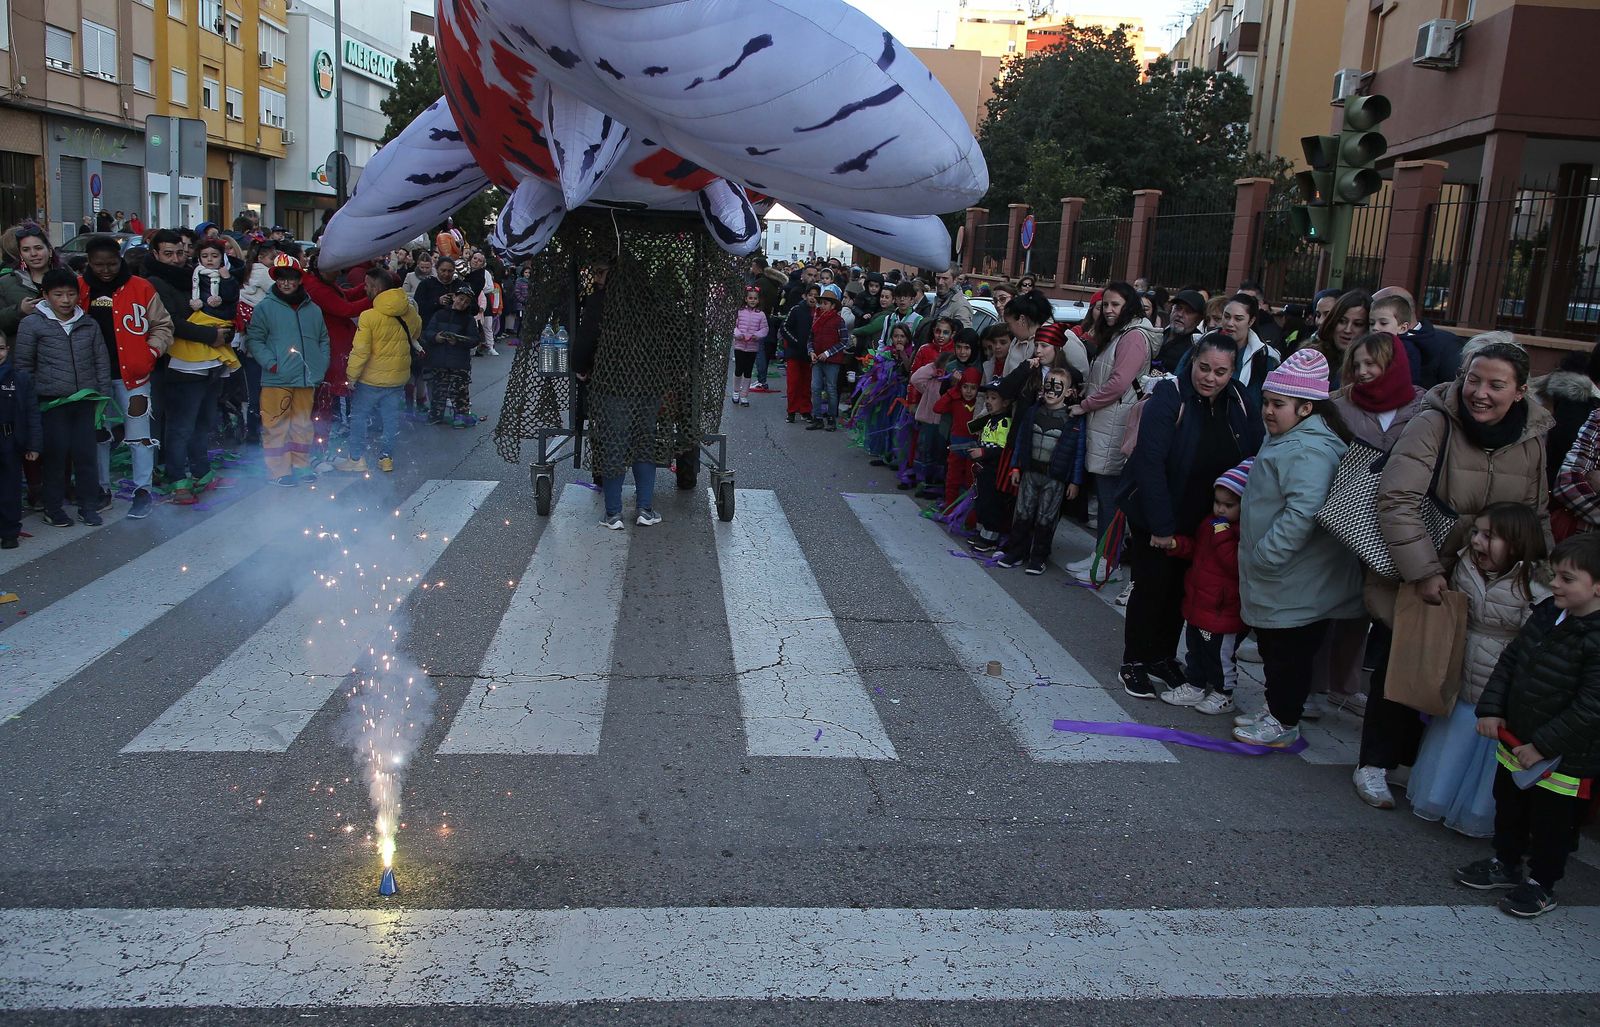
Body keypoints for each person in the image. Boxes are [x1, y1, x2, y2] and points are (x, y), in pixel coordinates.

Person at [1357, 339, 1554, 810]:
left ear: (1521, 391)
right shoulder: (1432, 422)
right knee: (1404, 662)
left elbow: (1536, 515)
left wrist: (1543, 581)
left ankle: (1417, 764)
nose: (1480, 393)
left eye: (1496, 385)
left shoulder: (1531, 439)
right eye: (1474, 379)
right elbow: (1397, 499)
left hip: (1490, 581)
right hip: (1422, 570)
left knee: (1460, 674)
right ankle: (1375, 763)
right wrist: (1424, 570)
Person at [1458, 531, 1600, 919]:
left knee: (1553, 824)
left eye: (1567, 579)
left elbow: (1592, 707)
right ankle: (1505, 861)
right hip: (1517, 740)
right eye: (1555, 574)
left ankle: (1542, 883)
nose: (1554, 583)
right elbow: (1511, 661)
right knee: (1510, 804)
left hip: (1565, 759)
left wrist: (1544, 745)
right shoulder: (1546, 614)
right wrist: (1491, 708)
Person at [1117, 333, 1264, 698]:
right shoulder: (1171, 395)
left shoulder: (1240, 401)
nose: (1210, 378)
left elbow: (1252, 453)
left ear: (1232, 372)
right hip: (1158, 510)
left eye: (1220, 371)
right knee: (1151, 588)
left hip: (1206, 518)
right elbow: (1150, 464)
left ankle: (1163, 656)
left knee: (1182, 591)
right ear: (1193, 361)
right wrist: (1162, 526)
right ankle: (1134, 660)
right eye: (1204, 368)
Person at [1232, 349, 1364, 746]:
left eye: (1279, 404)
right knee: (1277, 649)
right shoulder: (1289, 438)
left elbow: (1304, 509)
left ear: (1306, 407)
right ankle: (1277, 708)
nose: (1269, 411)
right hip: (1286, 576)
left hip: (1294, 575)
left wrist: (1268, 553)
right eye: (1267, 403)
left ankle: (1283, 721)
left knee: (1287, 654)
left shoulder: (1308, 449)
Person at [1408, 503, 1549, 838]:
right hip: (1461, 665)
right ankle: (1437, 797)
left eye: (1489, 536)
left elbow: (1534, 641)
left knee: (1487, 754)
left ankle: (1478, 813)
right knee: (1452, 739)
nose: (1477, 542)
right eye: (1476, 532)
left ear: (1517, 541)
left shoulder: (1536, 583)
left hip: (1503, 676)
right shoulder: (1465, 565)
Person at [1319, 333, 1427, 715]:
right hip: (1340, 515)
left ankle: (1344, 685)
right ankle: (1314, 684)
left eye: (1373, 364)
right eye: (1358, 364)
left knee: (1367, 607)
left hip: (1388, 521)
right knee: (1328, 600)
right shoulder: (1337, 403)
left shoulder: (1422, 405)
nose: (1363, 372)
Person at [80, 234, 174, 519]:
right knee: (99, 435)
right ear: (90, 264)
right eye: (99, 265)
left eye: (111, 263)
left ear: (119, 260)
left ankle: (142, 490)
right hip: (92, 379)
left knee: (139, 435)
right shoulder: (79, 288)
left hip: (134, 376)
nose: (106, 270)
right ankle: (101, 489)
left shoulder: (141, 287)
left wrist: (151, 353)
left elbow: (163, 325)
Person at [14, 269, 112, 527]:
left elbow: (101, 361)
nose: (66, 300)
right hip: (52, 402)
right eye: (58, 295)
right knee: (55, 458)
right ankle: (53, 508)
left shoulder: (88, 323)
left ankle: (88, 505)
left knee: (85, 456)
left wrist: (102, 397)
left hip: (85, 401)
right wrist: (32, 399)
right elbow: (24, 365)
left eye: (71, 294)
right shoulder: (32, 324)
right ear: (45, 296)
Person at [1070, 281, 1154, 581]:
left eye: (1115, 304)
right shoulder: (1121, 333)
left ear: (1127, 305)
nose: (1107, 310)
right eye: (1105, 304)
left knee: (1110, 497)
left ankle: (1108, 562)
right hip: (1107, 419)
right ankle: (1101, 556)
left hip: (1114, 420)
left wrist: (1086, 404)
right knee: (1106, 495)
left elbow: (1119, 383)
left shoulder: (1133, 337)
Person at [143, 230, 232, 502]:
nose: (176, 259)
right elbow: (173, 321)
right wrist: (211, 334)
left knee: (203, 421)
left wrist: (225, 329)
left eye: (180, 252)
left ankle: (201, 471)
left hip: (209, 359)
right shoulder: (154, 282)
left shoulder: (197, 274)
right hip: (179, 363)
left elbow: (220, 306)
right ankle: (176, 477)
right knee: (181, 424)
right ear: (156, 254)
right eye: (168, 253)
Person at [1160, 459, 1251, 714]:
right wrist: (1178, 546)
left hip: (1223, 610)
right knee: (1196, 648)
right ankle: (1195, 684)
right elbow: (1198, 550)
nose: (1221, 509)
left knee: (1220, 655)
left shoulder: (1240, 531)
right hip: (1201, 603)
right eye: (1218, 502)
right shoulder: (1210, 523)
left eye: (1229, 505)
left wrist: (1222, 536)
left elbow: (1234, 564)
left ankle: (1224, 693)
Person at [244, 254, 330, 485]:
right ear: (276, 279)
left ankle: (301, 465)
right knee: (276, 425)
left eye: (291, 278)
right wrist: (271, 363)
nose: (286, 283)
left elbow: (323, 339)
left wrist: (320, 366)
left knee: (302, 424)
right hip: (276, 379)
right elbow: (255, 339)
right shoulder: (264, 308)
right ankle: (279, 471)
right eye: (281, 278)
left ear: (299, 280)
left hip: (306, 378)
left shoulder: (313, 309)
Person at [997, 364, 1086, 575]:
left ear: (1070, 392)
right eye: (1048, 385)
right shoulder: (1032, 413)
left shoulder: (1073, 420)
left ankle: (1038, 556)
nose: (1051, 391)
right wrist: (1016, 467)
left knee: (1046, 518)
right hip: (1029, 473)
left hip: (1054, 478)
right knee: (1022, 513)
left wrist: (1075, 481)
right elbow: (1021, 441)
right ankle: (1017, 552)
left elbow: (1078, 453)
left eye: (1058, 387)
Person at [335, 268, 421, 475]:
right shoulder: (409, 312)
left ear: (375, 287)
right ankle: (386, 458)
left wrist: (351, 376)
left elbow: (361, 351)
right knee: (391, 419)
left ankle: (356, 459)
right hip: (398, 378)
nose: (364, 288)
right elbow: (416, 333)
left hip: (371, 380)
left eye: (366, 285)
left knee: (359, 417)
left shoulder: (369, 316)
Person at [1373, 286, 1463, 387]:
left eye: (1383, 322)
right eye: (1371, 322)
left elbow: (1453, 388)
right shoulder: (1370, 341)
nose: (1374, 327)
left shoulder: (1447, 344)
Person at [965, 377, 1015, 554]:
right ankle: (981, 532)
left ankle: (990, 538)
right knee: (982, 501)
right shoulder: (990, 420)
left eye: (993, 398)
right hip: (983, 470)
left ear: (1006, 402)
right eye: (987, 398)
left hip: (995, 471)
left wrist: (983, 453)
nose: (988, 402)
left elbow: (1002, 449)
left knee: (991, 503)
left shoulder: (1004, 422)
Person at [0, 332, 41, 547]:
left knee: (10, 488)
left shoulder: (20, 378)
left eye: (1, 348)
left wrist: (33, 444)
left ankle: (9, 532)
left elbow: (32, 413)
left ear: (7, 349)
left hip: (9, 440)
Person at [421, 284, 479, 427]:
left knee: (460, 392)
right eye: (461, 299)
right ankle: (435, 415)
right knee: (438, 390)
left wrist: (458, 342)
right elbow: (427, 332)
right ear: (454, 297)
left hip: (459, 362)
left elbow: (474, 340)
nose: (462, 303)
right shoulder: (440, 314)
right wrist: (436, 337)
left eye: (466, 302)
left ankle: (461, 417)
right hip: (439, 360)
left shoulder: (469, 319)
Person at [183, 240, 241, 372]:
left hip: (220, 317)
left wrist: (227, 279)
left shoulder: (226, 274)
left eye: (214, 256)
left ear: (221, 258)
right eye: (204, 256)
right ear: (199, 258)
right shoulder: (195, 274)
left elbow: (231, 297)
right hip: (200, 314)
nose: (209, 260)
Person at [0, 226, 61, 344]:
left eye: (38, 248)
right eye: (26, 250)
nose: (33, 254)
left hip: (60, 355)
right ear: (21, 254)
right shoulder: (5, 283)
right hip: (23, 355)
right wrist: (19, 311)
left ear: (49, 251)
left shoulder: (68, 279)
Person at [933, 367, 980, 508]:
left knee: (970, 481)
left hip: (973, 448)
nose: (969, 391)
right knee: (952, 479)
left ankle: (966, 513)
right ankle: (949, 507)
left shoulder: (980, 404)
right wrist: (954, 389)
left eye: (973, 388)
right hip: (956, 446)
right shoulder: (956, 400)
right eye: (965, 387)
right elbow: (937, 408)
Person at [807, 284, 850, 431]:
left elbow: (844, 341)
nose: (823, 306)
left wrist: (828, 353)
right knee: (815, 387)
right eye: (821, 303)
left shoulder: (839, 321)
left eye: (826, 303)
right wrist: (811, 351)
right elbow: (811, 338)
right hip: (817, 359)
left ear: (833, 306)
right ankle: (817, 417)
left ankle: (831, 419)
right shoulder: (816, 318)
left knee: (831, 388)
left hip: (832, 360)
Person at [779, 281, 818, 424]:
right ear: (805, 296)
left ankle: (805, 410)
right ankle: (791, 410)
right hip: (795, 352)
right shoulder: (796, 309)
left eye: (816, 296)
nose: (813, 298)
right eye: (810, 295)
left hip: (810, 354)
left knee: (806, 383)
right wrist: (796, 342)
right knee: (793, 382)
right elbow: (785, 328)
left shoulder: (819, 312)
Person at [730, 284, 768, 407]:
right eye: (750, 298)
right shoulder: (739, 312)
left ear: (758, 300)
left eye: (755, 298)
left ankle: (744, 395)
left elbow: (764, 328)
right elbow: (734, 326)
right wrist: (738, 334)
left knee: (748, 371)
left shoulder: (761, 314)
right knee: (738, 369)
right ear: (746, 299)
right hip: (740, 345)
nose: (753, 300)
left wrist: (757, 335)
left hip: (752, 346)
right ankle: (735, 391)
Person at [1154, 289, 1204, 373]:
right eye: (1178, 308)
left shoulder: (1197, 346)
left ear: (1198, 319)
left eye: (1188, 311)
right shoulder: (1160, 333)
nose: (1180, 314)